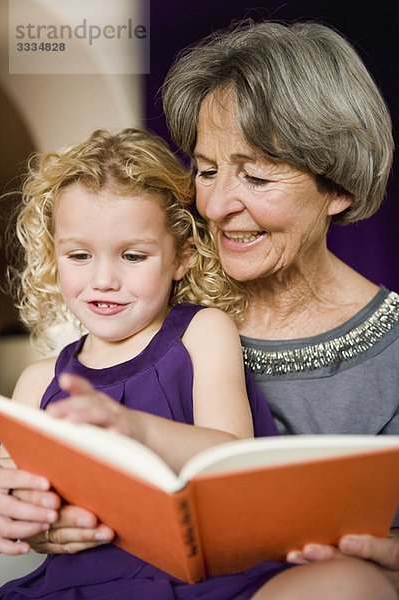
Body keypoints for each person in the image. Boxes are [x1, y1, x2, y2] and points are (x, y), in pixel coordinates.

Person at [1, 127, 394, 599]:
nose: (104, 279)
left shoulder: (202, 332)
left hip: (213, 585)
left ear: (183, 257)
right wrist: (15, 511)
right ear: (54, 256)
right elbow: (17, 505)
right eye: (80, 255)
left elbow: (232, 461)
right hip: (82, 588)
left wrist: (136, 430)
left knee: (350, 583)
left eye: (133, 255)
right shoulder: (36, 383)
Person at [161, 17, 399, 588]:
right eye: (208, 171)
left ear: (338, 187)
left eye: (257, 179)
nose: (217, 206)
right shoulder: (148, 301)